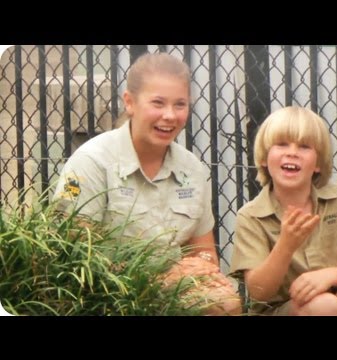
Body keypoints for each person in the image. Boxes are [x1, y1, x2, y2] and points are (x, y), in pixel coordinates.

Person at [52, 52, 241, 315]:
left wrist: (201, 266)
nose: (170, 115)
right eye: (158, 103)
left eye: (180, 104)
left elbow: (203, 251)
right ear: (130, 102)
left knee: (224, 302)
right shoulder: (91, 162)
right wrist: (159, 279)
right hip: (107, 296)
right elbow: (73, 259)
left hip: (174, 291)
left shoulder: (192, 169)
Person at [230, 106, 337, 316]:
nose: (292, 152)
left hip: (335, 297)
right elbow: (259, 292)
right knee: (324, 306)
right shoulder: (251, 216)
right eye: (281, 144)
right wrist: (286, 245)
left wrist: (328, 276)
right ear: (264, 158)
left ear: (318, 164)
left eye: (304, 146)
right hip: (283, 310)